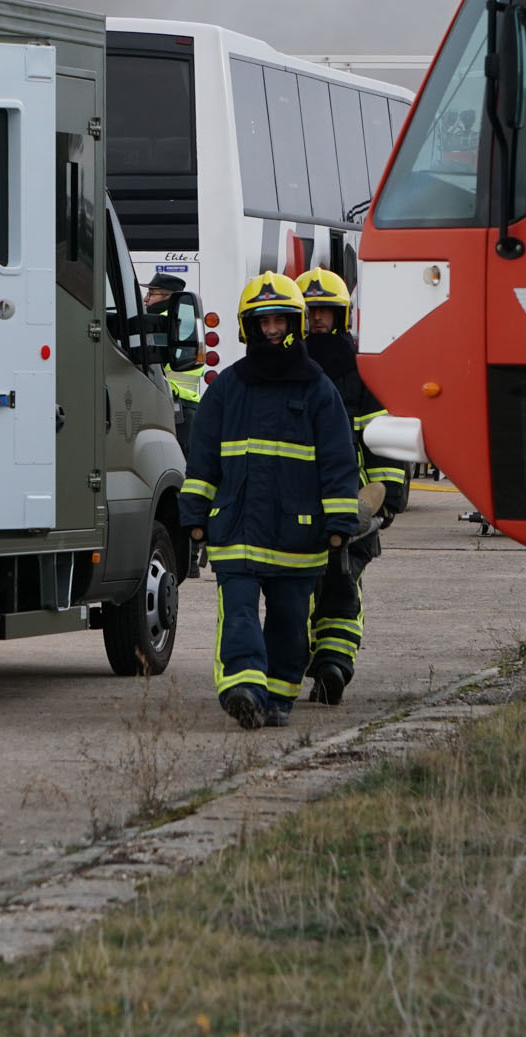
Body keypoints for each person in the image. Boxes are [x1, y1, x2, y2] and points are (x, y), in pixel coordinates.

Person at [177, 272, 361, 729]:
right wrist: (194, 515)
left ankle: (276, 698)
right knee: (236, 611)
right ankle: (242, 688)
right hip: (236, 527)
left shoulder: (319, 390)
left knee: (289, 622)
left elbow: (339, 460)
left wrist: (340, 521)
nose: (273, 330)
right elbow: (201, 462)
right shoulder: (226, 389)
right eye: (264, 322)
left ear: (294, 325)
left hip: (298, 534)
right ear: (248, 327)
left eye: (280, 320)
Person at [295, 267, 409, 704]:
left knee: (342, 585)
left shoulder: (364, 373)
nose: (318, 319)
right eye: (310, 311)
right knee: (296, 589)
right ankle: (301, 657)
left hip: (351, 503)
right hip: (295, 500)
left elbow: (383, 442)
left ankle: (334, 665)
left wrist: (381, 497)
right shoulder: (286, 370)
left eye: (326, 311)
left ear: (342, 316)